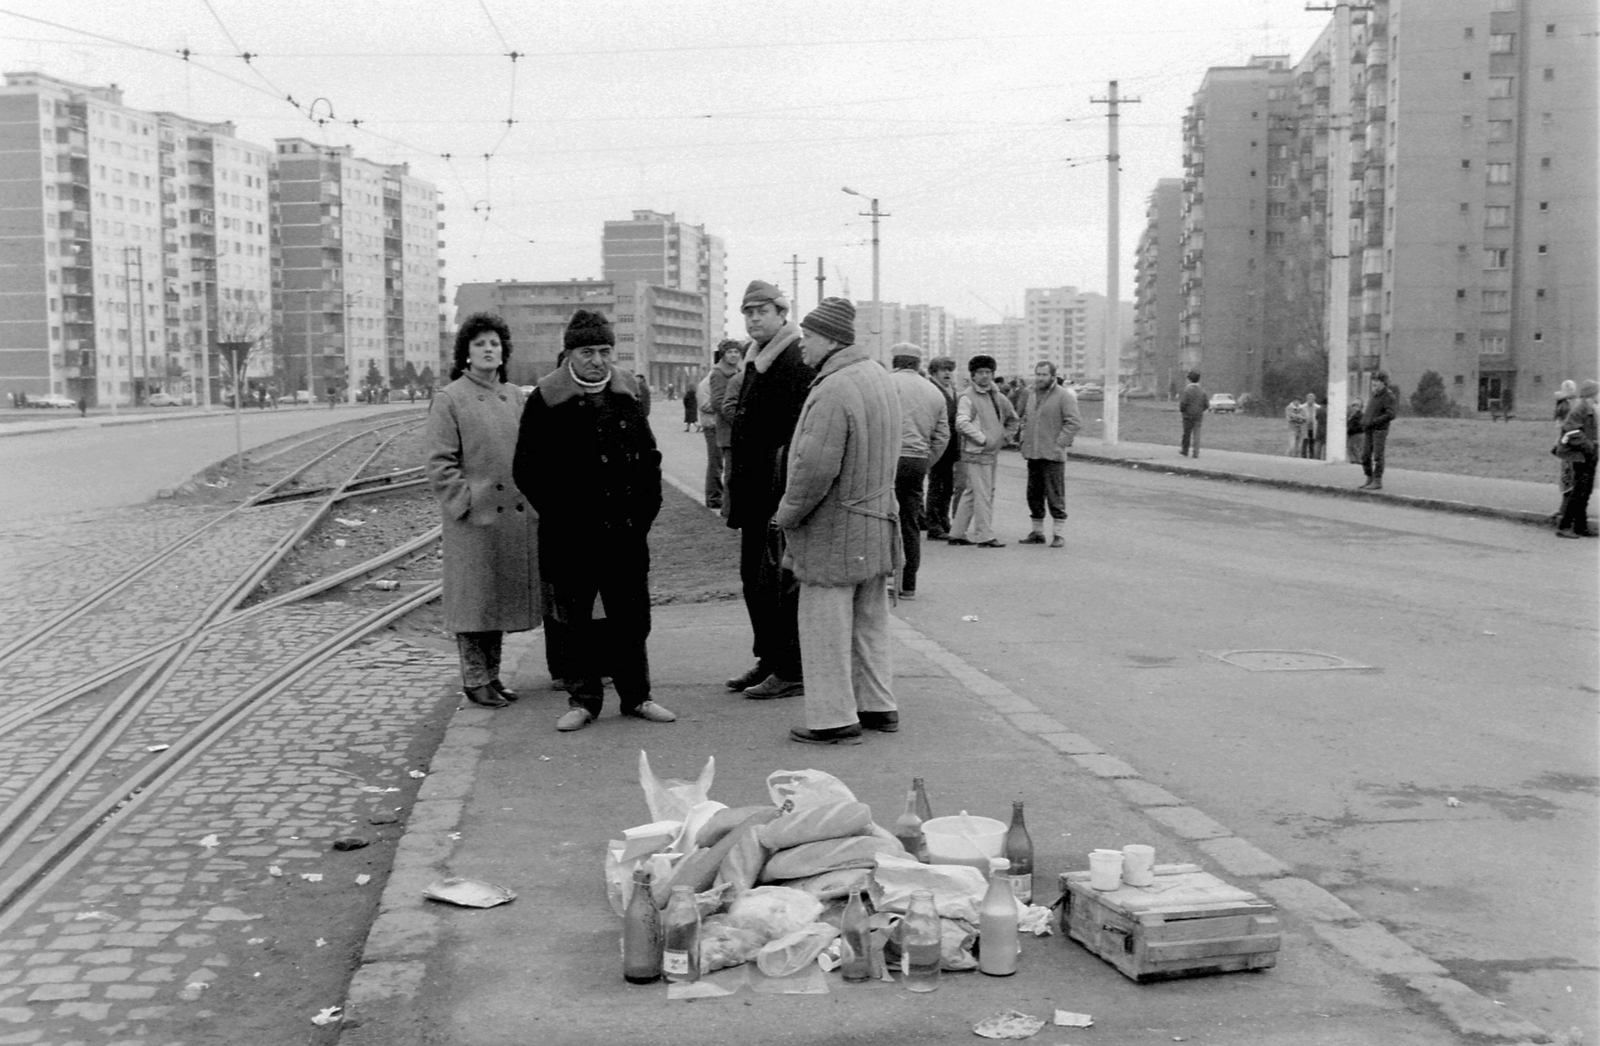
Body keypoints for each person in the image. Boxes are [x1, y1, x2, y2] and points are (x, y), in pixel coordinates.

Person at [513, 309, 676, 731]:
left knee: (631, 616)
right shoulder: (545, 398)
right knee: (575, 619)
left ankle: (637, 697)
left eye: (605, 351)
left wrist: (643, 514)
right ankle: (583, 701)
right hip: (570, 536)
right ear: (569, 353)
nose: (598, 360)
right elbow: (527, 470)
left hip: (625, 532)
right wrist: (564, 515)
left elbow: (650, 460)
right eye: (588, 352)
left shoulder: (628, 392)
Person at [773, 298, 901, 745]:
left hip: (834, 530)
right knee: (870, 623)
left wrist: (785, 515)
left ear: (828, 339)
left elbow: (812, 469)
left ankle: (833, 718)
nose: (802, 346)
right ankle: (878, 706)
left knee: (823, 625)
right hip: (876, 522)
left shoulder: (832, 389)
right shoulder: (878, 376)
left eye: (807, 338)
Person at [424, 312, 541, 711]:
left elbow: (530, 453)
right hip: (475, 521)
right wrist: (466, 504)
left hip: (511, 518)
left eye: (495, 343)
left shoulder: (514, 396)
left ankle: (492, 677)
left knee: (498, 603)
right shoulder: (450, 398)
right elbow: (440, 463)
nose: (489, 349)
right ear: (467, 354)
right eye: (480, 344)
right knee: (474, 603)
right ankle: (475, 681)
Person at [723, 280, 814, 699]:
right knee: (753, 580)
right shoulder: (755, 358)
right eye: (748, 312)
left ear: (782, 313)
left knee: (777, 582)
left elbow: (795, 434)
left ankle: (790, 667)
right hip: (753, 491)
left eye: (762, 311)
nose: (754, 318)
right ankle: (768, 658)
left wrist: (784, 495)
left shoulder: (794, 359)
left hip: (775, 493)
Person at [888, 344, 949, 600]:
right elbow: (942, 435)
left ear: (896, 361)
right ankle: (908, 585)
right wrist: (926, 461)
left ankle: (885, 580)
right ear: (917, 364)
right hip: (917, 461)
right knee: (910, 522)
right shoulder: (935, 391)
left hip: (888, 459)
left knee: (882, 519)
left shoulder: (886, 383)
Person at [948, 354, 1019, 548]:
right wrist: (984, 440)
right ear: (973, 375)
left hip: (990, 453)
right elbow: (961, 423)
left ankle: (957, 532)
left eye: (988, 372)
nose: (985, 376)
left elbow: (1013, 418)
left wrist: (1004, 438)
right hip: (977, 453)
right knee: (983, 494)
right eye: (980, 372)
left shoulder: (997, 396)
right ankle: (984, 535)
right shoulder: (967, 397)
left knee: (972, 492)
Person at [1016, 360, 1081, 547]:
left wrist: (1059, 444)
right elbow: (1025, 419)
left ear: (1053, 376)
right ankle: (1037, 532)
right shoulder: (1031, 395)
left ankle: (1058, 534)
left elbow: (1073, 422)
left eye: (1044, 374)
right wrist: (1023, 440)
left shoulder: (1063, 396)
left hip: (1053, 456)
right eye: (1037, 374)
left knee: (1055, 495)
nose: (1040, 378)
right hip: (1033, 454)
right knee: (1033, 494)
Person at [701, 339, 742, 517]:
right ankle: (728, 509)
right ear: (723, 354)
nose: (733, 355)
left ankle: (734, 506)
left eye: (736, 352)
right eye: (730, 352)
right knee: (730, 471)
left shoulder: (739, 371)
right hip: (728, 427)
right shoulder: (718, 373)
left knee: (737, 470)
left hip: (737, 426)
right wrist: (737, 419)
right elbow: (718, 402)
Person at [923, 356, 961, 540]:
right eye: (943, 369)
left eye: (949, 369)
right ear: (933, 372)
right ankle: (934, 525)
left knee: (947, 486)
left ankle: (944, 520)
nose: (947, 373)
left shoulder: (951, 389)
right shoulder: (931, 389)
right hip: (938, 443)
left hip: (951, 445)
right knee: (936, 485)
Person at [1555, 380, 1597, 538]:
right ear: (1591, 395)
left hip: (1589, 454)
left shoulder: (1591, 408)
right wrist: (1589, 446)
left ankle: (1581, 526)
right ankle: (1564, 526)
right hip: (1580, 455)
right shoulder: (1579, 409)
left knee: (1585, 491)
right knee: (1578, 491)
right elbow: (1571, 431)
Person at [1359, 372, 1398, 490]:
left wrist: (1375, 421)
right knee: (1365, 455)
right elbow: (1369, 410)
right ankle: (1369, 478)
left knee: (1378, 455)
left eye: (1377, 380)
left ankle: (1377, 480)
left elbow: (1391, 414)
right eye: (1373, 380)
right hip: (1369, 429)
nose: (1374, 383)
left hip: (1380, 430)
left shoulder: (1388, 396)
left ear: (1383, 382)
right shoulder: (1374, 394)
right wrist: (1364, 420)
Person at [1554, 380, 1579, 525]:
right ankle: (1565, 511)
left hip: (1570, 444)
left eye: (1572, 387)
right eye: (1568, 388)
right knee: (1568, 477)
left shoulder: (1567, 404)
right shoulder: (1565, 405)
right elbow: (1563, 424)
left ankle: (1565, 510)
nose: (1571, 390)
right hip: (1568, 444)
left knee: (1569, 477)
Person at [1178, 370, 1208, 457]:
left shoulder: (1187, 390)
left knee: (1187, 433)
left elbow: (1183, 403)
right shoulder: (1202, 391)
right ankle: (1196, 452)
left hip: (1187, 415)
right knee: (1197, 433)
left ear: (1189, 380)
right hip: (1198, 415)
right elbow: (1206, 404)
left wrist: (1183, 410)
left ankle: (1185, 450)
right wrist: (1200, 410)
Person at [1346, 398, 1365, 463]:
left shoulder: (1359, 415)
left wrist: (1349, 429)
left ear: (1359, 407)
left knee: (1354, 448)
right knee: (1351, 448)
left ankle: (1358, 461)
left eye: (1355, 406)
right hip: (1353, 433)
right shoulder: (1353, 415)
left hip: (1356, 433)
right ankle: (1354, 460)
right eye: (1353, 406)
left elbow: (1357, 425)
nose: (1353, 407)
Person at [1302, 392, 1320, 458]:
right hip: (1305, 426)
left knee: (1312, 442)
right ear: (1306, 399)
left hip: (1314, 427)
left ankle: (1312, 456)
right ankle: (1303, 456)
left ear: (1314, 399)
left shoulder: (1318, 407)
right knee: (1305, 441)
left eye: (1312, 399)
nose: (1310, 400)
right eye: (1309, 399)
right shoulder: (1302, 407)